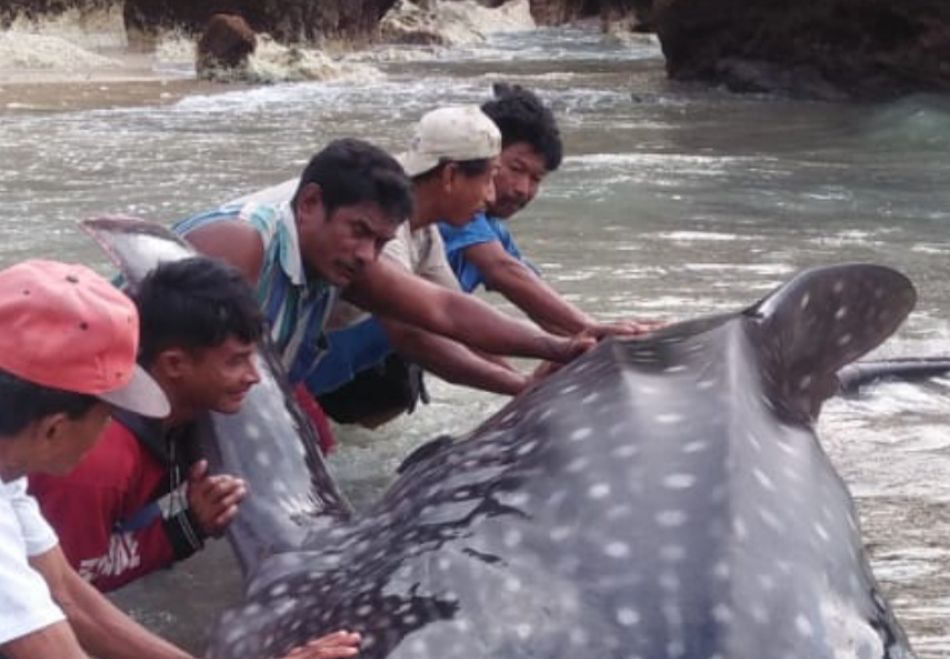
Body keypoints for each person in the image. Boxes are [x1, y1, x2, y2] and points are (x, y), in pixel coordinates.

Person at [0, 259, 393, 659]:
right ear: (52, 427)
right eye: (106, 413)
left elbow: (66, 593)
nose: (110, 430)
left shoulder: (10, 461)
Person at [175, 137, 590, 446]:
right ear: (309, 204)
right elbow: (164, 365)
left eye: (379, 242)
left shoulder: (345, 256)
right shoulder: (240, 244)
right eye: (358, 232)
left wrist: (559, 349)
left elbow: (445, 311)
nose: (365, 255)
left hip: (233, 393)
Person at [28, 257, 262, 592]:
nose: (254, 376)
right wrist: (187, 527)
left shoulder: (191, 408)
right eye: (236, 361)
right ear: (175, 364)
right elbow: (65, 588)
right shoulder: (97, 458)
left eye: (253, 357)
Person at [440, 83, 652, 338]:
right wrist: (590, 329)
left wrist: (615, 334)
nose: (523, 189)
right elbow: (504, 271)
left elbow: (540, 306)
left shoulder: (494, 233)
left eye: (536, 178)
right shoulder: (451, 208)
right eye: (516, 169)